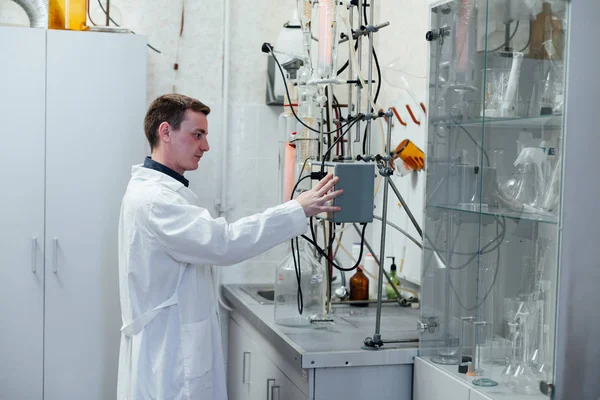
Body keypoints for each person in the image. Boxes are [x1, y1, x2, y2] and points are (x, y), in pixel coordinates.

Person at [117, 93, 343, 400]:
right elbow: (224, 243)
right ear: (166, 132)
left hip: (170, 345)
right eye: (197, 135)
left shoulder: (156, 192)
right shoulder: (158, 201)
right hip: (169, 358)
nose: (205, 146)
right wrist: (296, 209)